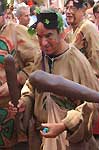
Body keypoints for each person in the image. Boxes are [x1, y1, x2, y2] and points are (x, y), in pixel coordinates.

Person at [14, 8, 99, 150]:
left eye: (49, 36)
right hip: (41, 136)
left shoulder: (78, 62)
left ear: (62, 33)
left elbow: (92, 104)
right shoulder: (40, 58)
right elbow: (31, 85)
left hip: (69, 141)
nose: (43, 43)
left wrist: (64, 125)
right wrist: (25, 101)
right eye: (39, 36)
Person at [0, 0, 40, 149]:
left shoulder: (17, 31)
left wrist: (14, 81)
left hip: (13, 107)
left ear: (5, 14)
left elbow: (36, 62)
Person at [65, 0, 99, 78]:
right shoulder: (70, 33)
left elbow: (97, 62)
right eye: (67, 8)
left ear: (83, 10)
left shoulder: (88, 28)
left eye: (73, 8)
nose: (68, 12)